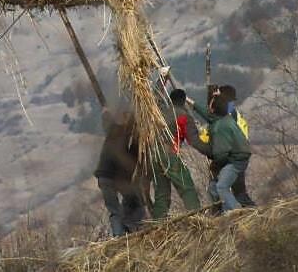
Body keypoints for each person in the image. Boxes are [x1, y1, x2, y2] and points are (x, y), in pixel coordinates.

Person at [150, 89, 206, 219]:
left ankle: (158, 225)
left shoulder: (161, 112)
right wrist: (211, 151)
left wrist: (162, 79)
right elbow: (194, 141)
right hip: (170, 154)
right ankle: (197, 217)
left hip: (154, 156)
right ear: (183, 101)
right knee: (187, 187)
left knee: (161, 194)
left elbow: (154, 96)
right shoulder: (184, 116)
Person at [94, 106, 146, 236]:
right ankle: (129, 227)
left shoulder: (114, 130)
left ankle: (119, 236)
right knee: (137, 204)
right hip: (117, 179)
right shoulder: (134, 140)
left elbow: (107, 121)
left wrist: (105, 112)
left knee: (114, 211)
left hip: (103, 177)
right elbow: (133, 164)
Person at [205, 93, 251, 212]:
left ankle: (239, 213)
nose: (209, 107)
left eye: (210, 105)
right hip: (236, 157)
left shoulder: (222, 123)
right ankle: (225, 213)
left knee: (224, 187)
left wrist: (214, 164)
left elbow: (222, 153)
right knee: (214, 188)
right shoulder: (228, 117)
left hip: (235, 159)